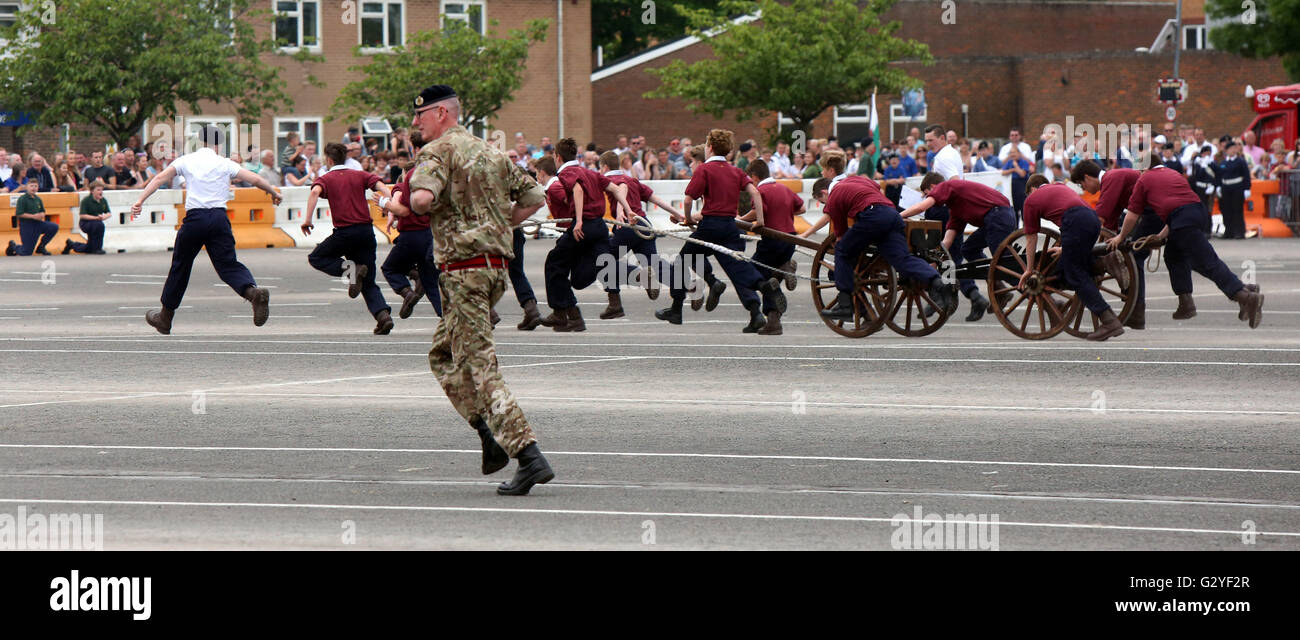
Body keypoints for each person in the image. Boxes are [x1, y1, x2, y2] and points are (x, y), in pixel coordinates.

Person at [405, 84, 555, 496]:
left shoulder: (437, 152)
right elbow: (535, 197)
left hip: (462, 273)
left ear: (442, 114)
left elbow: (420, 200)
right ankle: (489, 436)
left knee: (479, 365)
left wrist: (416, 201)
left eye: (421, 115)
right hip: (493, 271)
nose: (415, 122)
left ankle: (527, 454)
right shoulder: (491, 152)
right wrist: (495, 223)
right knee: (441, 353)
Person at [130, 125, 279, 335]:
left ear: (199, 141)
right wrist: (273, 192)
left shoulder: (186, 160)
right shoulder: (224, 162)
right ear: (219, 143)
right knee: (227, 264)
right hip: (219, 218)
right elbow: (255, 179)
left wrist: (140, 200)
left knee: (181, 266)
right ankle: (252, 292)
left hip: (195, 219)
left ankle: (165, 317)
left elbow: (159, 178)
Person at [655, 129, 787, 332]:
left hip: (711, 225)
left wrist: (688, 219)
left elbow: (689, 199)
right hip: (730, 226)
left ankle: (676, 309)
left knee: (683, 260)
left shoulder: (705, 169)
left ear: (710, 147)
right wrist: (759, 220)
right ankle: (758, 303)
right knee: (737, 268)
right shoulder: (735, 171)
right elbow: (755, 193)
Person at [1106, 165, 1263, 328]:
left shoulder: (1144, 179)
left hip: (1183, 219)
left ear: (1144, 169)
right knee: (1174, 256)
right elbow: (1177, 206)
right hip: (1195, 213)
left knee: (1207, 262)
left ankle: (1245, 296)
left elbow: (1132, 215)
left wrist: (1120, 237)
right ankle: (1186, 302)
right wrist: (1160, 236)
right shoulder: (1172, 174)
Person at [800, 173, 955, 320]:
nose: (826, 204)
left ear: (824, 192)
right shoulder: (856, 179)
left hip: (872, 216)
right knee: (902, 259)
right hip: (892, 215)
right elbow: (876, 186)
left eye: (823, 200)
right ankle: (937, 282)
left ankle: (845, 304)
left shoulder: (834, 195)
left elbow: (840, 233)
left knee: (842, 251)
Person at [539, 137, 634, 332]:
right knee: (583, 275)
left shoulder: (566, 172)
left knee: (554, 262)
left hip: (584, 227)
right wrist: (628, 210)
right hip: (599, 228)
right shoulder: (589, 172)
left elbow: (577, 190)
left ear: (557, 157)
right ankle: (612, 304)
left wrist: (579, 220)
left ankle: (562, 313)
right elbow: (615, 188)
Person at [302, 143, 395, 334]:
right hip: (366, 232)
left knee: (317, 257)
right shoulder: (360, 175)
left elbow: (314, 192)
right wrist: (391, 205)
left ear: (329, 160)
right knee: (368, 280)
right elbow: (381, 186)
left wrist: (307, 220)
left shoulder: (326, 178)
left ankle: (350, 271)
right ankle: (383, 316)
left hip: (345, 233)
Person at [899, 172, 1015, 321]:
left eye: (927, 194)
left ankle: (1016, 285)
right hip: (997, 217)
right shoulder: (955, 210)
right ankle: (998, 287)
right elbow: (946, 243)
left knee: (1003, 262)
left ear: (934, 187)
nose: (928, 198)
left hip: (998, 215)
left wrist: (899, 216)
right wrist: (934, 264)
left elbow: (921, 207)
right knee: (968, 249)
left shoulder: (946, 186)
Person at [1020, 175, 1122, 341]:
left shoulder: (1031, 200)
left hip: (1074, 222)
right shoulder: (1060, 186)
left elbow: (1031, 238)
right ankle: (1102, 263)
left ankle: (1109, 320)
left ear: (1032, 190)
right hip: (1092, 219)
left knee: (1074, 274)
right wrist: (1065, 248)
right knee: (1071, 267)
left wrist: (1029, 270)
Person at [598, 151, 682, 318]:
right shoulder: (632, 179)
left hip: (628, 227)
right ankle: (687, 284)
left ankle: (618, 300)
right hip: (644, 225)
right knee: (654, 263)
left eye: (600, 168)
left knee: (604, 261)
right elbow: (655, 199)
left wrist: (622, 211)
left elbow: (621, 189)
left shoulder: (610, 180)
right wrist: (678, 214)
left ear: (605, 167)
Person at [1070, 159, 1148, 329]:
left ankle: (1137, 310)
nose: (1086, 191)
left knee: (1135, 259)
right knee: (1134, 258)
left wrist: (1078, 244)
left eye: (1083, 186)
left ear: (1087, 178)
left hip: (1151, 212)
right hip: (1147, 212)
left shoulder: (1111, 178)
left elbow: (1099, 218)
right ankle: (1136, 311)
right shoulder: (1112, 180)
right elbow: (1108, 226)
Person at [738, 160, 803, 334]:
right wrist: (784, 211)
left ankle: (784, 268)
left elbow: (756, 213)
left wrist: (739, 220)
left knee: (749, 274)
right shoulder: (784, 188)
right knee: (771, 282)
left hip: (772, 241)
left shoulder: (761, 191)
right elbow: (802, 208)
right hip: (790, 240)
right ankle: (773, 323)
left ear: (754, 177)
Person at [5, 179, 58, 256]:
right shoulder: (22, 199)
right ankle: (13, 246)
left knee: (54, 227)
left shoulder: (38, 199)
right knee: (26, 252)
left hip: (38, 224)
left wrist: (42, 214)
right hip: (27, 225)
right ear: (27, 187)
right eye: (31, 186)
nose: (33, 188)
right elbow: (19, 213)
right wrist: (33, 216)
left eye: (35, 186)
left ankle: (41, 246)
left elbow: (42, 210)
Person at [1214, 139, 1251, 240]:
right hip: (1226, 188)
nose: (1232, 150)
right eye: (1230, 148)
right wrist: (1218, 186)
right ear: (1226, 151)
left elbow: (1246, 175)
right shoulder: (1224, 162)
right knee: (1226, 211)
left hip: (1237, 188)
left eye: (1234, 148)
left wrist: (1247, 188)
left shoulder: (1240, 161)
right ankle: (1228, 231)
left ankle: (1239, 232)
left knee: (1237, 210)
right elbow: (1219, 175)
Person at [63, 181, 111, 255]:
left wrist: (104, 217)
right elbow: (82, 215)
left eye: (101, 190)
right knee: (98, 225)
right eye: (98, 190)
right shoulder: (86, 200)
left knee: (89, 248)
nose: (101, 192)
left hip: (97, 221)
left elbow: (109, 213)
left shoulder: (103, 200)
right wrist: (95, 218)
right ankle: (97, 248)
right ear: (92, 191)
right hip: (86, 223)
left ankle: (72, 244)